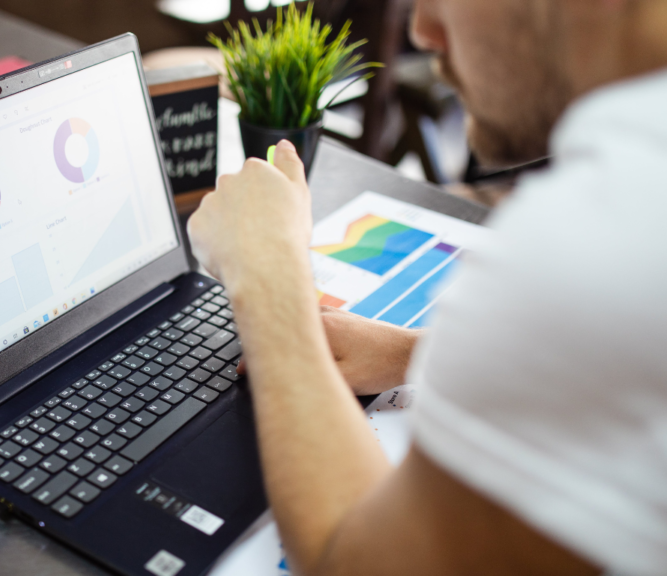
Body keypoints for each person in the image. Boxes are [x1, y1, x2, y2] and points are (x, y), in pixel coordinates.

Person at [186, 0, 667, 574]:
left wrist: (267, 273)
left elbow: (358, 559)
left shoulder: (597, 237)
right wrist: (409, 354)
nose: (423, 28)